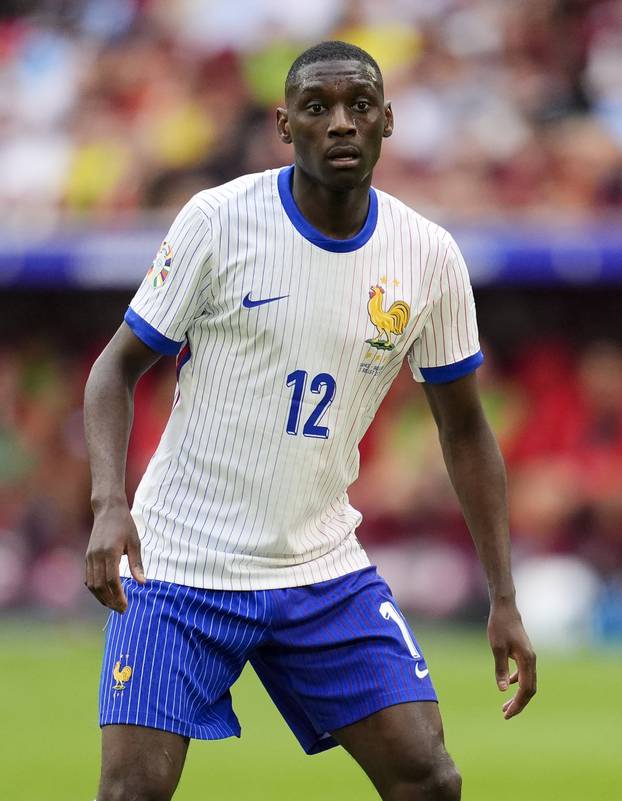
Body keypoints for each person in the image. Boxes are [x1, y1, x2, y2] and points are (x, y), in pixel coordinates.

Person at [84, 40, 536, 801]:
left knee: (430, 779)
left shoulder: (428, 257)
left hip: (320, 567)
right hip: (180, 563)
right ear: (283, 122)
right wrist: (107, 503)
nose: (340, 124)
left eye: (359, 106)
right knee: (131, 794)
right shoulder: (219, 221)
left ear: (388, 121)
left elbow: (465, 430)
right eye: (317, 108)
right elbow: (113, 370)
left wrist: (504, 595)